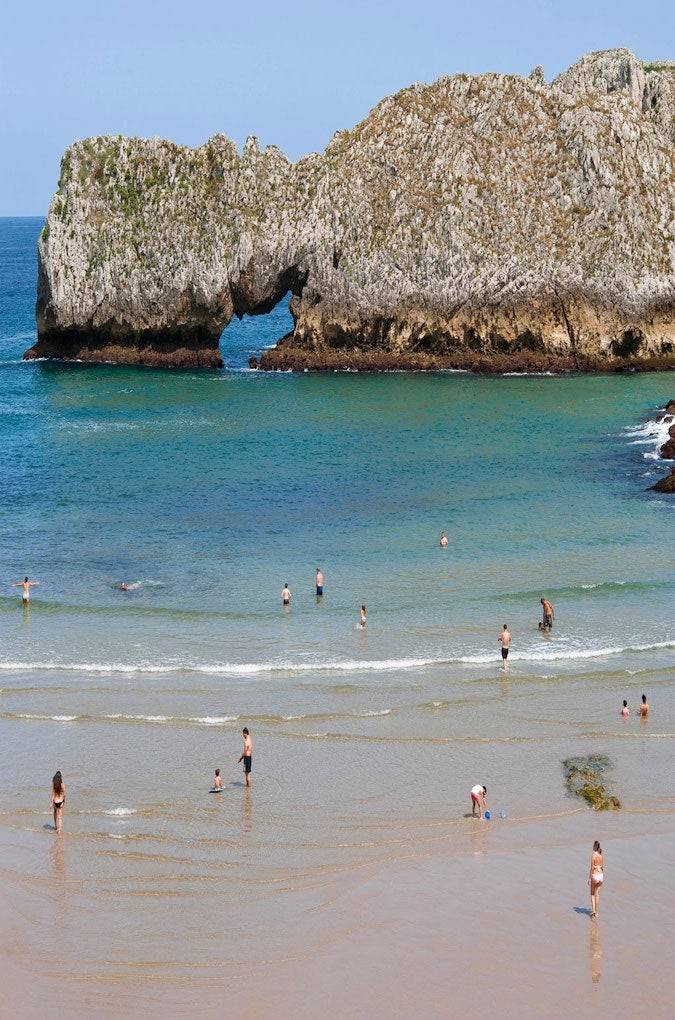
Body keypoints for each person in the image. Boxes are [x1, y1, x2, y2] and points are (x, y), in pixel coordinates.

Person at [588, 840, 604, 917]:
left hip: (595, 875)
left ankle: (593, 911)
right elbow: (602, 867)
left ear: (594, 846)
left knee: (592, 894)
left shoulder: (593, 855)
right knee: (597, 894)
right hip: (601, 875)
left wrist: (589, 878)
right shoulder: (601, 855)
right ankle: (596, 912)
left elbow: (591, 868)